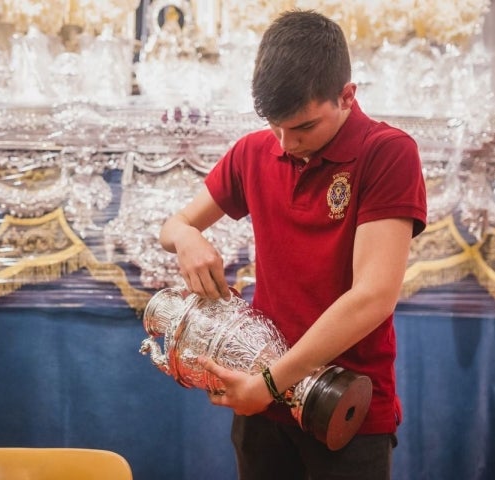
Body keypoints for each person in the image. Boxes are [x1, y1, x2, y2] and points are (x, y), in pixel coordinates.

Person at [158, 9, 427, 480]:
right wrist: (186, 237)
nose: (285, 143)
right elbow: (175, 224)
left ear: (347, 96)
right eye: (274, 125)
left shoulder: (386, 152)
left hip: (343, 401)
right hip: (261, 402)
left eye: (303, 127)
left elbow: (372, 297)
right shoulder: (253, 151)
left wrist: (269, 382)